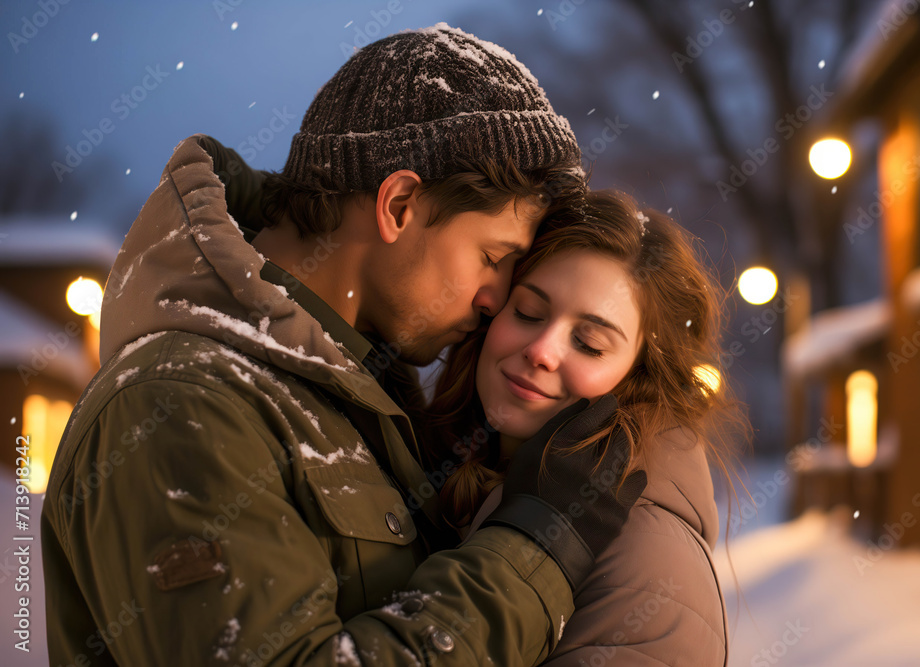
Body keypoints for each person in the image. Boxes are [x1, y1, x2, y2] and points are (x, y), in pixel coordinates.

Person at [40, 24, 646, 665]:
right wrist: (536, 550)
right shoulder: (177, 406)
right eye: (493, 257)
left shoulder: (362, 391)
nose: (496, 297)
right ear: (400, 203)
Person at [419, 190, 749, 665]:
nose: (542, 350)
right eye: (528, 312)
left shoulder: (649, 559)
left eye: (590, 343)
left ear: (639, 376)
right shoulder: (436, 468)